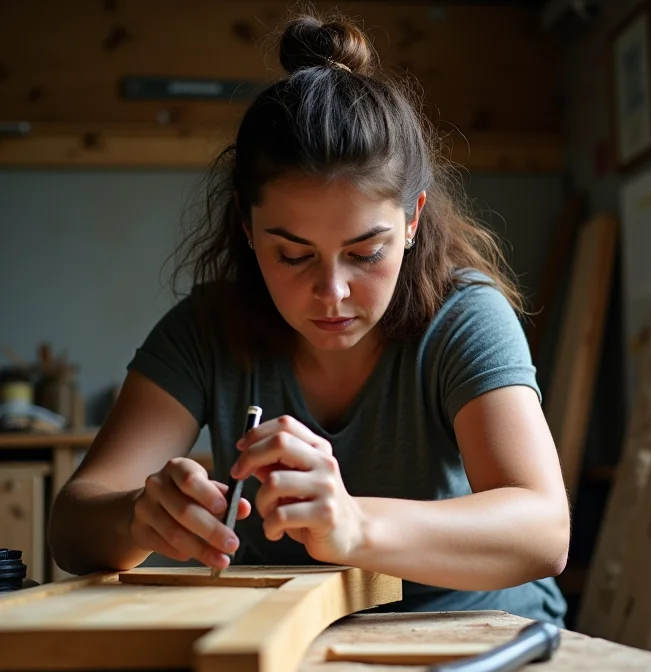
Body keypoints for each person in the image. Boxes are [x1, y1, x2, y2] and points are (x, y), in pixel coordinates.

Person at [48, 12, 570, 625]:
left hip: (479, 640)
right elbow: (70, 529)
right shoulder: (207, 329)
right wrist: (137, 515)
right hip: (289, 643)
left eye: (365, 253)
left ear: (412, 219)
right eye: (292, 255)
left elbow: (542, 531)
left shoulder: (462, 316)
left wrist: (353, 524)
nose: (332, 292)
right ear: (246, 226)